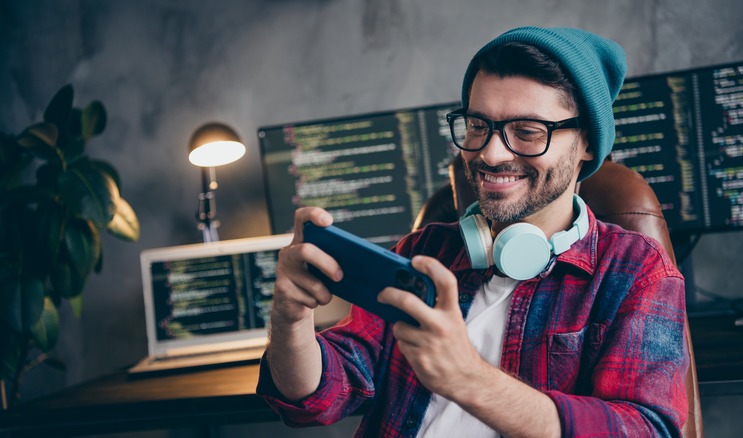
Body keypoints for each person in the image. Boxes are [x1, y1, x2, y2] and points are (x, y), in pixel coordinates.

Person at [257, 26, 688, 437]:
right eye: (479, 126)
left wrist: (469, 379)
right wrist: (290, 320)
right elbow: (320, 397)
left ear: (588, 144)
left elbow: (644, 429)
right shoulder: (422, 252)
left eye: (527, 132)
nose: (491, 152)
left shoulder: (637, 274)